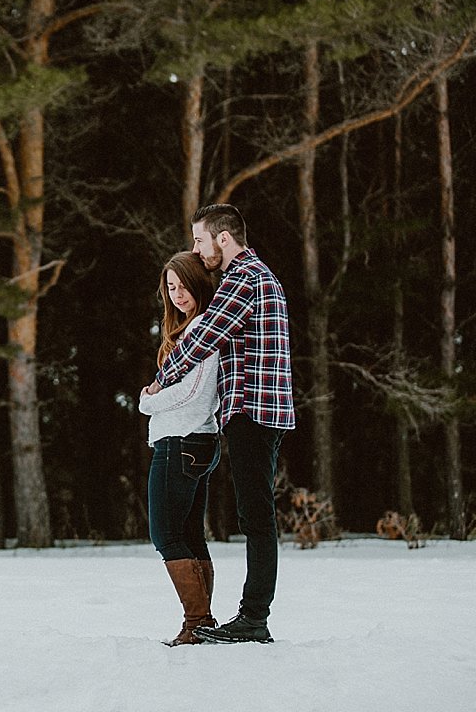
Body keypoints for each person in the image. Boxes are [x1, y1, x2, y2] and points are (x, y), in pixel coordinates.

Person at [143, 203, 295, 645]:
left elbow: (205, 340)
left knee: (257, 519)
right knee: (254, 516)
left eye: (199, 241)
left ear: (223, 239)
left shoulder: (243, 277)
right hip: (261, 412)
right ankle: (248, 616)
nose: (196, 249)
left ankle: (254, 618)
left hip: (254, 412)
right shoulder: (257, 277)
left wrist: (157, 385)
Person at [138, 251, 222, 646]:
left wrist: (148, 400)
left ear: (199, 283)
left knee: (165, 535)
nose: (177, 294)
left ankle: (197, 620)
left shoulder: (203, 329)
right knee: (189, 535)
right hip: (194, 441)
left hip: (182, 441)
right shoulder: (189, 329)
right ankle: (202, 621)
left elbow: (195, 393)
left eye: (183, 285)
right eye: (170, 287)